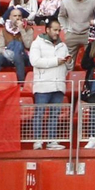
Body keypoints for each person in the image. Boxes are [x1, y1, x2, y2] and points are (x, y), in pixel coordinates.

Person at [28, 18, 70, 150]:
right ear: (47, 29)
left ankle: (52, 141)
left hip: (58, 84)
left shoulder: (63, 45)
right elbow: (35, 61)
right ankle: (38, 141)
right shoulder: (37, 43)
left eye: (59, 30)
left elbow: (67, 66)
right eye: (55, 30)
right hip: (43, 85)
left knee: (54, 114)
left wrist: (68, 62)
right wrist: (56, 61)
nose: (57, 32)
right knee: (39, 113)